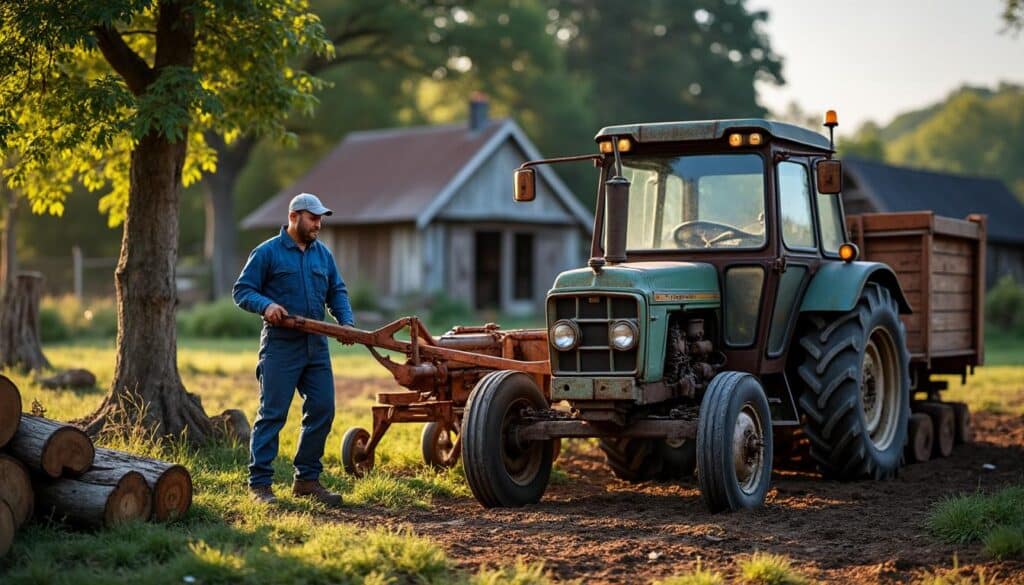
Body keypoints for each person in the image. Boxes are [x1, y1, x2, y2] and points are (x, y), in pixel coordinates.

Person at [233, 192, 354, 506]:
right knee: (272, 415)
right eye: (313, 218)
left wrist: (346, 323)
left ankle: (307, 480)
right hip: (280, 346)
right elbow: (242, 290)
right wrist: (266, 305)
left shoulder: (322, 255)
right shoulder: (267, 253)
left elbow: (337, 291)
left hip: (317, 345)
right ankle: (260, 485)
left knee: (323, 409)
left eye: (320, 219)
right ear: (293, 217)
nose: (318, 224)